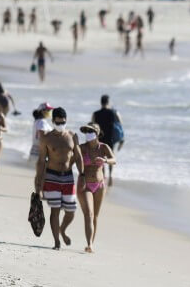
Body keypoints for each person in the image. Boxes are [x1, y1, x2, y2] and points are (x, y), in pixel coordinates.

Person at [34, 107, 85, 250]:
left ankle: (62, 230)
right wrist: (39, 181)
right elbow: (41, 161)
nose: (61, 124)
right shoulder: (46, 138)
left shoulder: (72, 136)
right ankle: (56, 241)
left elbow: (78, 156)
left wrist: (82, 175)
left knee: (71, 211)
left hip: (68, 176)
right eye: (58, 122)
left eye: (63, 122)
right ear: (53, 121)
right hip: (51, 176)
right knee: (55, 210)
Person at [76, 123, 115, 253]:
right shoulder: (81, 148)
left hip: (99, 185)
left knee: (95, 216)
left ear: (97, 133)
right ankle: (89, 243)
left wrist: (105, 161)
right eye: (86, 131)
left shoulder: (103, 147)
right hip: (85, 184)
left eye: (90, 131)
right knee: (88, 214)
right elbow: (71, 158)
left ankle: (91, 243)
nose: (87, 133)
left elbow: (114, 159)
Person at [91, 95, 124, 185]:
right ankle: (110, 176)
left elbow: (92, 126)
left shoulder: (95, 113)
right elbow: (120, 123)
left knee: (101, 157)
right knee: (110, 156)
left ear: (101, 102)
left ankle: (103, 176)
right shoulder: (113, 112)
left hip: (100, 138)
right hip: (110, 138)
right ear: (108, 102)